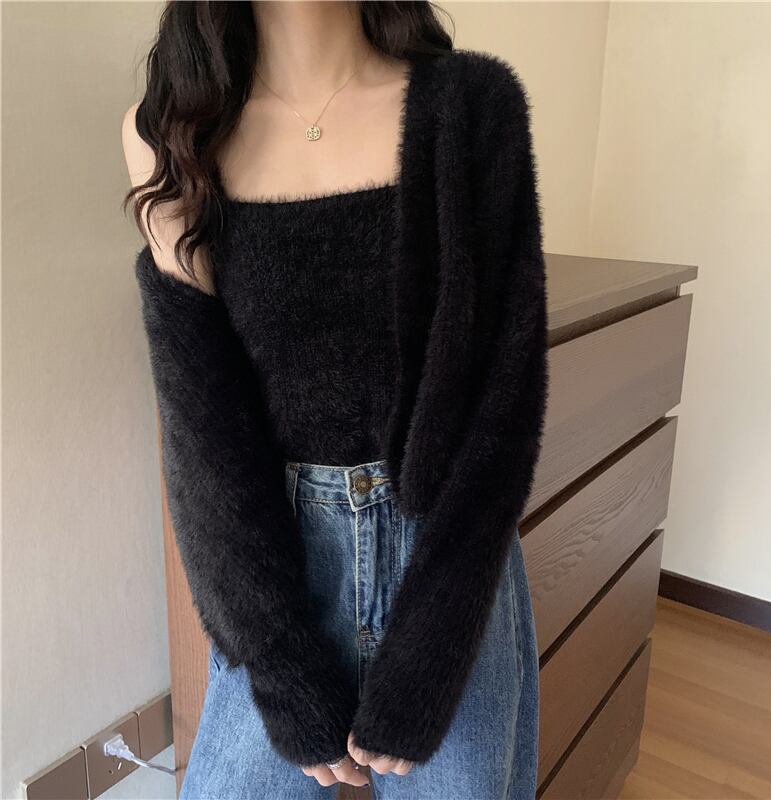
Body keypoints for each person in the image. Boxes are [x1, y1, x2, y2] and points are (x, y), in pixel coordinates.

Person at [122, 2, 549, 798]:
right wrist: (279, 661)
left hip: (448, 567)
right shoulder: (172, 136)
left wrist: (432, 649)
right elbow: (201, 422)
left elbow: (503, 402)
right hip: (277, 569)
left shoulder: (471, 107)